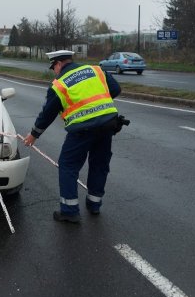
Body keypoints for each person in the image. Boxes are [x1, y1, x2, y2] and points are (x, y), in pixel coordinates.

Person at [24, 50, 122, 223]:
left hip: (82, 130)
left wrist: (33, 135)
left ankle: (69, 211)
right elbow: (115, 89)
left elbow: (47, 114)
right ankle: (94, 205)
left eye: (53, 67)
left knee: (67, 166)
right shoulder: (96, 70)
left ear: (59, 63)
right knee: (99, 164)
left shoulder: (59, 84)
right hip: (107, 125)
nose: (54, 71)